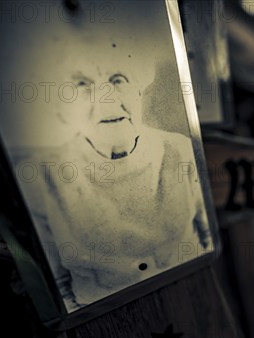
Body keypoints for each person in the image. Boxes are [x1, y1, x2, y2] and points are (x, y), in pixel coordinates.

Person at [22, 42, 211, 312]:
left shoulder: (180, 149)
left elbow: (207, 233)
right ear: (61, 111)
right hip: (105, 317)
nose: (107, 98)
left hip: (190, 291)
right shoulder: (42, 176)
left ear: (138, 93)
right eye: (82, 85)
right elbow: (56, 283)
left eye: (117, 79)